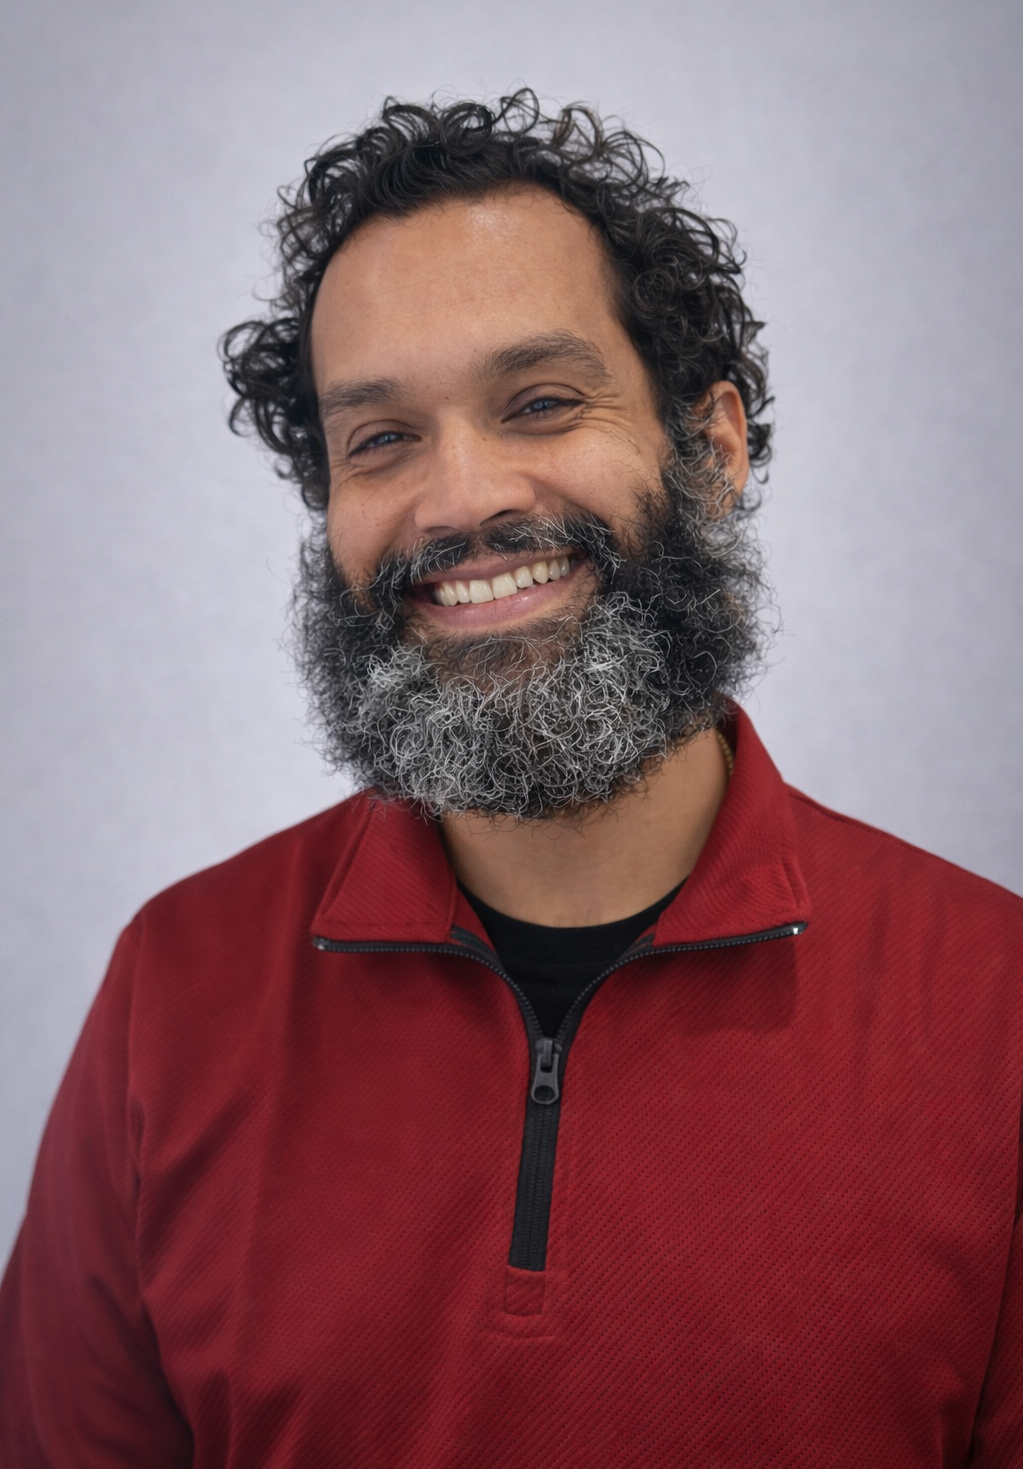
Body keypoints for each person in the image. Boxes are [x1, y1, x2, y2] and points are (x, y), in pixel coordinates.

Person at [1, 91, 1020, 1468]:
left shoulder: (993, 1007)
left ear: (710, 453)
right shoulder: (173, 991)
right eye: (380, 439)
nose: (455, 501)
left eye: (538, 402)